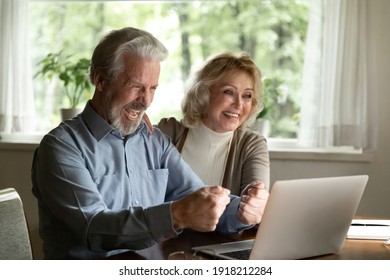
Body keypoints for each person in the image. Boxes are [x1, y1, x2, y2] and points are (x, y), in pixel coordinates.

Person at [31, 27, 267, 260]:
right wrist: (176, 215)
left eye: (152, 88)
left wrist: (242, 211)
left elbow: (198, 199)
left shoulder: (155, 142)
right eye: (135, 86)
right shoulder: (61, 147)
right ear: (100, 80)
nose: (145, 101)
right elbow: (94, 229)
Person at [157, 51, 270, 201]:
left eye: (247, 95)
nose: (238, 104)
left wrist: (256, 200)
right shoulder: (168, 131)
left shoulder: (251, 144)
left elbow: (255, 196)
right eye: (229, 92)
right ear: (204, 93)